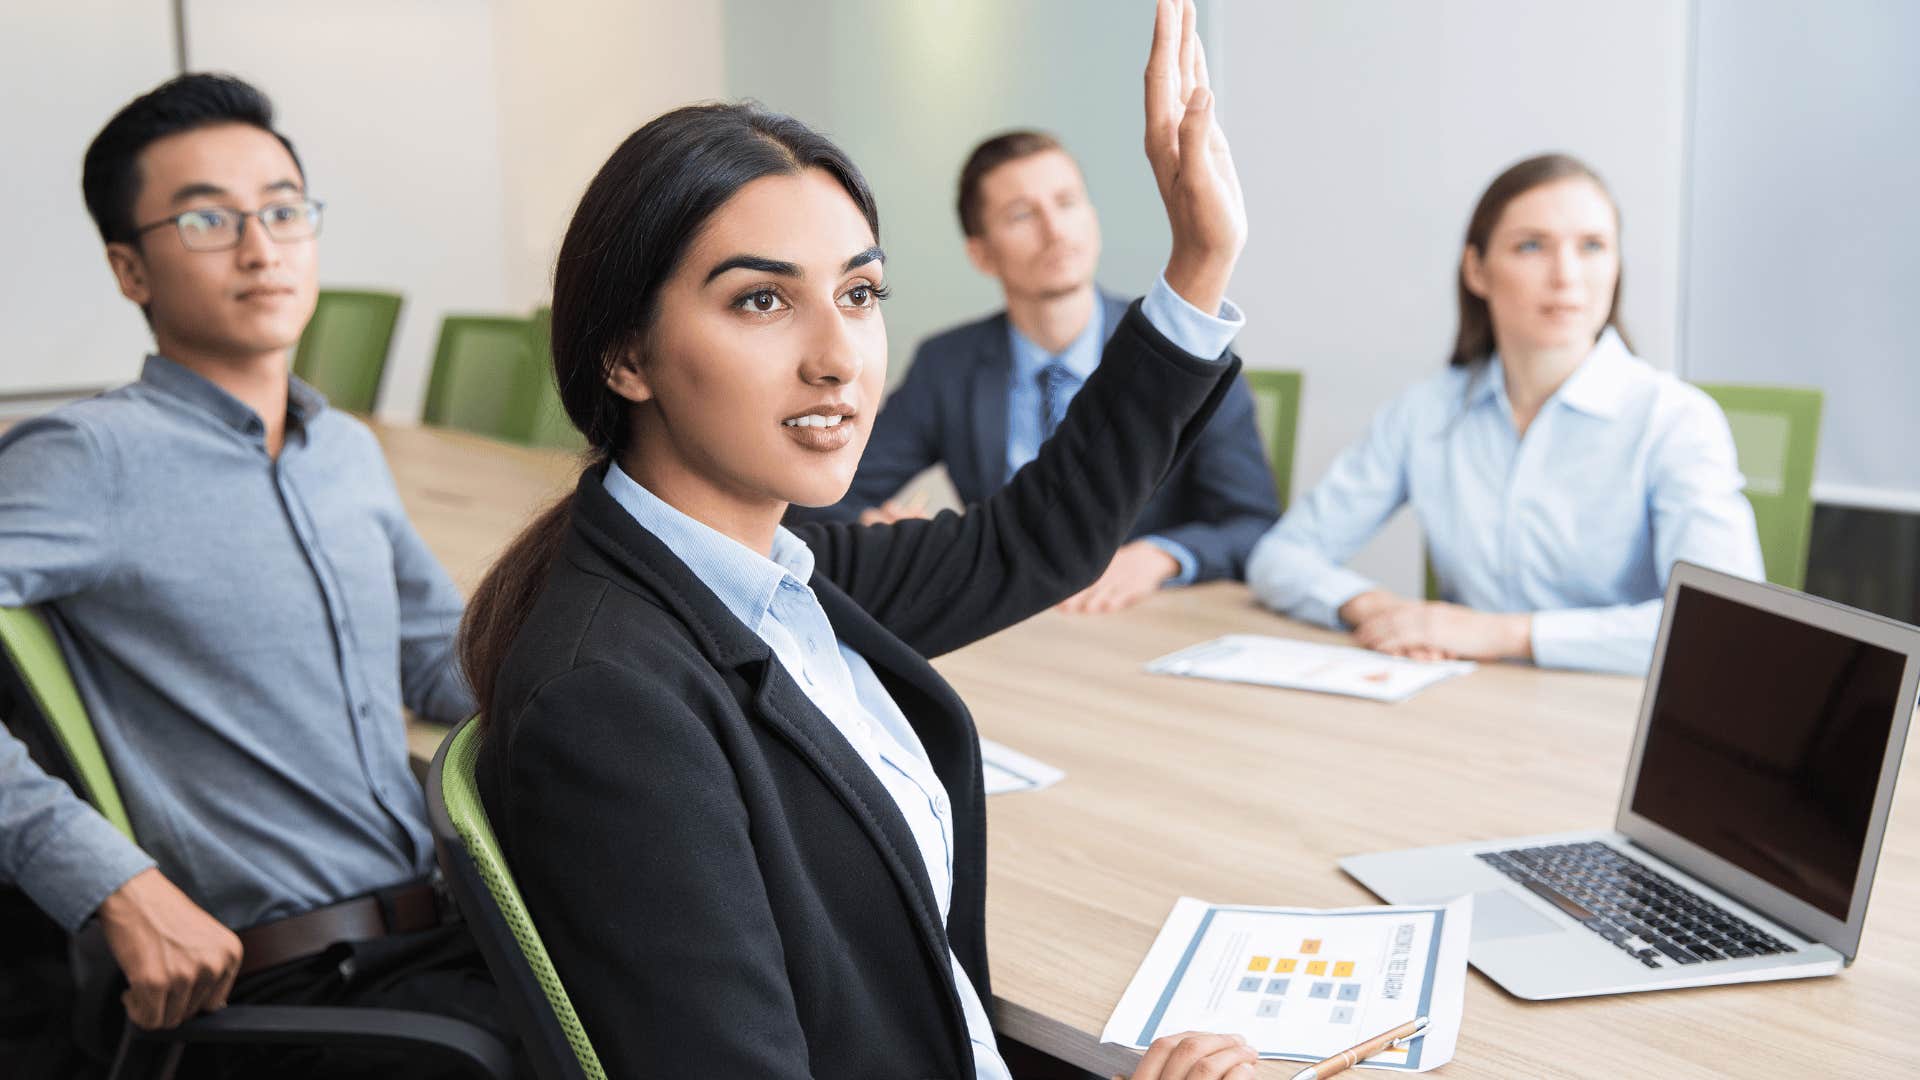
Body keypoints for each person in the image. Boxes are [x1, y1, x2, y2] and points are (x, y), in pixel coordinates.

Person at [464, 2, 1262, 1076]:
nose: (839, 357)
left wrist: (1199, 263)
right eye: (761, 301)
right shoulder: (615, 697)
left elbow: (1031, 541)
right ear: (624, 354)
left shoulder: (772, 581)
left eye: (860, 292)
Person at [0, 74, 515, 1076]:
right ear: (129, 270)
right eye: (206, 219)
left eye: (283, 209)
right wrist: (105, 880)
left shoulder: (347, 453)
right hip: (289, 986)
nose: (260, 245)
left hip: (444, 932)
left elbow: (449, 666)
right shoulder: (87, 458)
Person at [1245, 153, 1763, 675]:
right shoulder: (1426, 413)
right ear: (1477, 269)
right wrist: (1378, 609)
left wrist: (1498, 633)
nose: (1567, 276)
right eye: (1531, 246)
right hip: (1468, 705)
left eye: (1592, 246)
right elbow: (1280, 557)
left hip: (1613, 719)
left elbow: (1721, 624)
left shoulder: (1673, 420)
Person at [785, 128, 1279, 614]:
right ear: (981, 253)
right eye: (1021, 214)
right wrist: (869, 533)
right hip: (1011, 626)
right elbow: (823, 499)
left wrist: (1162, 557)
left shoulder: (1183, 349)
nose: (1055, 229)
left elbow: (1253, 523)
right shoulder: (948, 364)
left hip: (1140, 618)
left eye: (1067, 203)